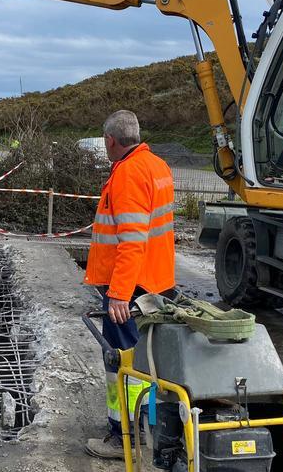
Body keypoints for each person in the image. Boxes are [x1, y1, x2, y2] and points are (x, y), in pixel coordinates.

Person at [83, 110, 176, 460]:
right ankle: (146, 431)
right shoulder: (157, 167)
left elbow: (132, 240)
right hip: (156, 282)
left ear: (110, 140)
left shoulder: (128, 174)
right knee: (148, 362)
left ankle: (122, 436)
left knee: (122, 364)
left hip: (131, 288)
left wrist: (119, 294)